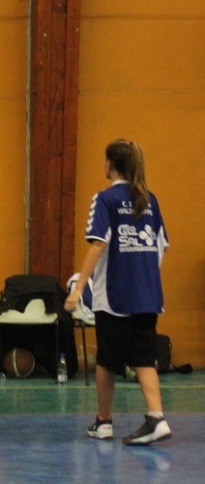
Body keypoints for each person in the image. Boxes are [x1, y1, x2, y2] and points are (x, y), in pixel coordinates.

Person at [64, 139, 171, 446]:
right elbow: (161, 246)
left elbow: (98, 244)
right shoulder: (149, 199)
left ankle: (104, 421)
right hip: (148, 294)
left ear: (109, 164)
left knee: (107, 361)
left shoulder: (105, 199)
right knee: (144, 358)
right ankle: (156, 418)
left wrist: (78, 288)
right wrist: (144, 278)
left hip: (114, 295)